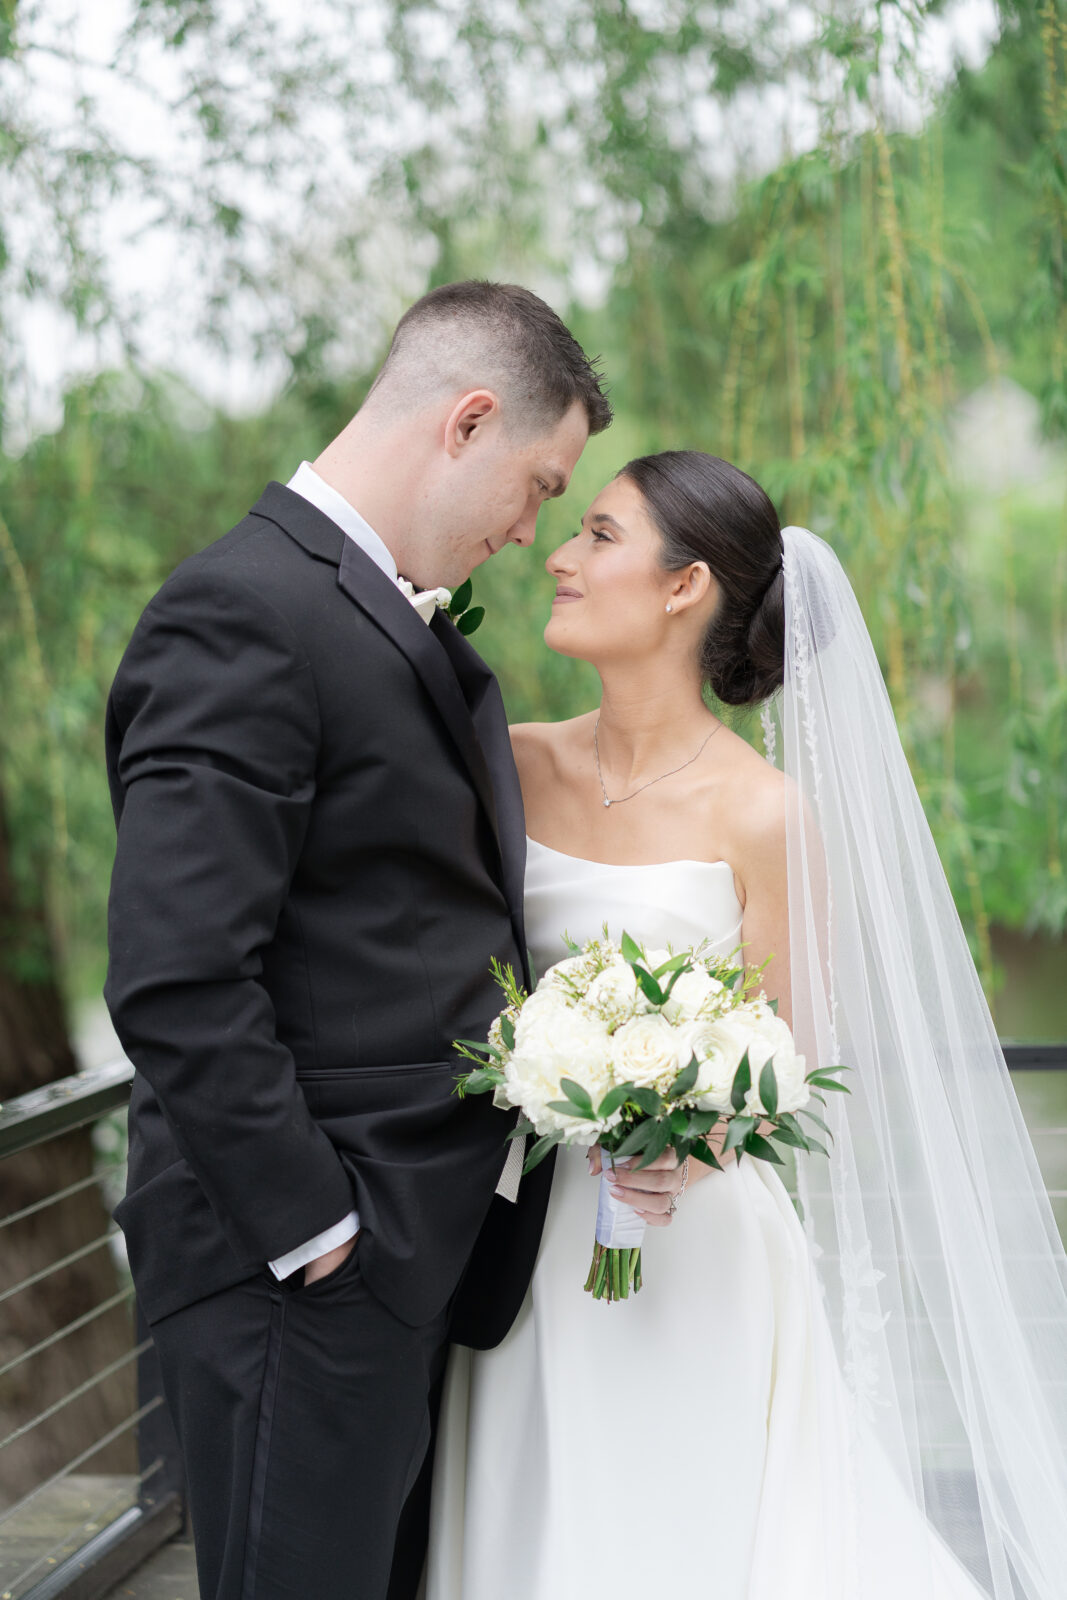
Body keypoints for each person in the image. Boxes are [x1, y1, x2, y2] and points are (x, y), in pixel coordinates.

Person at [424, 452, 1067, 1599]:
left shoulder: (763, 815)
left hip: (687, 1249)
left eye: (601, 535)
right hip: (517, 1241)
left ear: (684, 586)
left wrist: (685, 1134)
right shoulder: (506, 762)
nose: (558, 557)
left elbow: (788, 1058)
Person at [103, 280, 616, 1600]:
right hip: (299, 1276)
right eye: (540, 486)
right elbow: (176, 973)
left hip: (391, 1266)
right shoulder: (245, 610)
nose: (531, 530)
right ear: (467, 422)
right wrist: (319, 1234)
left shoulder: (357, 608)